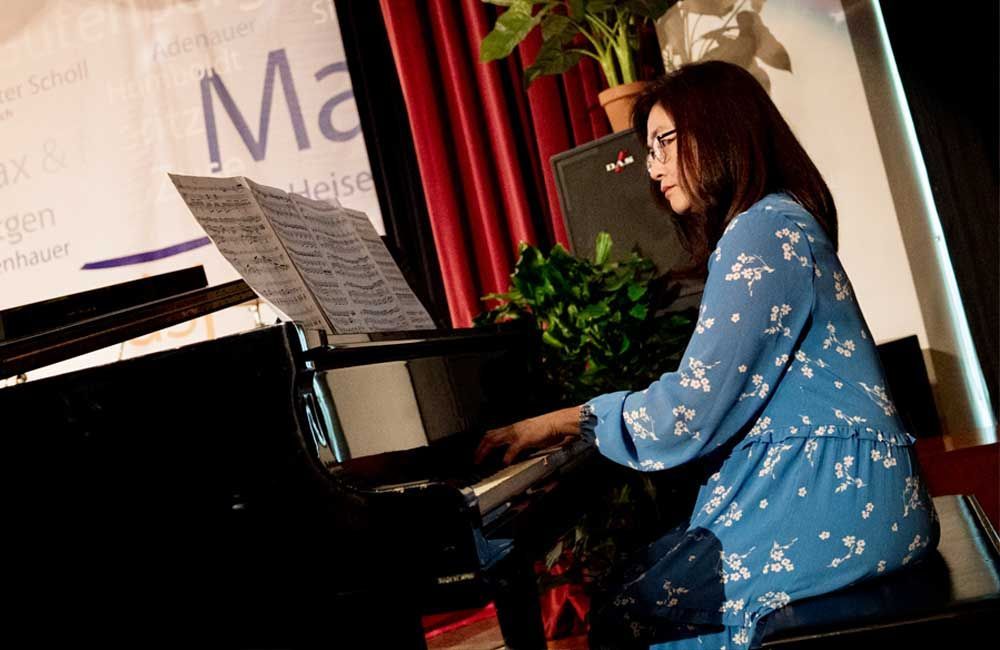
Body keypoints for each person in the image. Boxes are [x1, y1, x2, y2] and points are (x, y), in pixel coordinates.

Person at [474, 60, 940, 649]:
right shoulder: (780, 219)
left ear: (722, 129)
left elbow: (689, 410)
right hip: (857, 493)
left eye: (664, 142)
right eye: (649, 151)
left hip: (839, 503)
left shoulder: (760, 230)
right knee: (640, 576)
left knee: (630, 610)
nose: (654, 167)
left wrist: (562, 421)